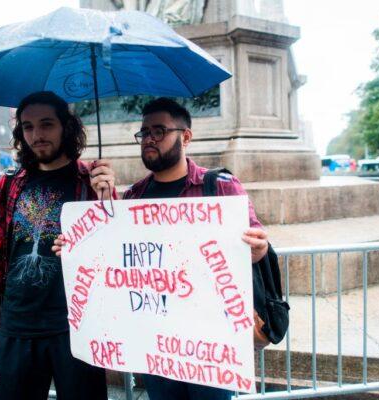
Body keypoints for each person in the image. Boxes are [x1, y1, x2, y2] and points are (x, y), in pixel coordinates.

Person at [55, 97, 269, 400]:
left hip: (208, 346)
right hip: (157, 345)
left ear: (186, 136)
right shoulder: (134, 196)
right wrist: (78, 249)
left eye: (159, 131)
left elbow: (254, 240)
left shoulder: (220, 185)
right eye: (144, 133)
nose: (149, 140)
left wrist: (258, 249)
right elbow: (116, 256)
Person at [0, 91, 114, 400]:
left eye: (46, 124)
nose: (36, 135)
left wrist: (106, 197)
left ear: (66, 127)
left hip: (77, 327)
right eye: (27, 127)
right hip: (18, 325)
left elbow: (113, 255)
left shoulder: (90, 181)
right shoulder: (10, 183)